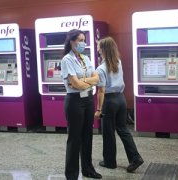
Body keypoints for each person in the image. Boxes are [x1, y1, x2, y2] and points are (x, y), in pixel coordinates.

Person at [94, 37, 144, 173]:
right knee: (123, 129)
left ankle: (109, 162)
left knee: (108, 132)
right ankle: (135, 158)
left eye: (99, 47)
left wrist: (99, 109)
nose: (97, 49)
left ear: (103, 49)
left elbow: (101, 90)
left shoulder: (100, 68)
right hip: (121, 99)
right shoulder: (118, 62)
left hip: (109, 101)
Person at [61, 29, 102, 180]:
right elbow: (75, 84)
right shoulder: (67, 60)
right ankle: (71, 174)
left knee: (87, 136)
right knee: (74, 138)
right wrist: (85, 82)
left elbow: (96, 78)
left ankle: (88, 169)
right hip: (75, 102)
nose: (83, 43)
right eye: (80, 40)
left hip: (89, 100)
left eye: (84, 40)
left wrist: (82, 82)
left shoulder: (85, 58)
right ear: (72, 42)